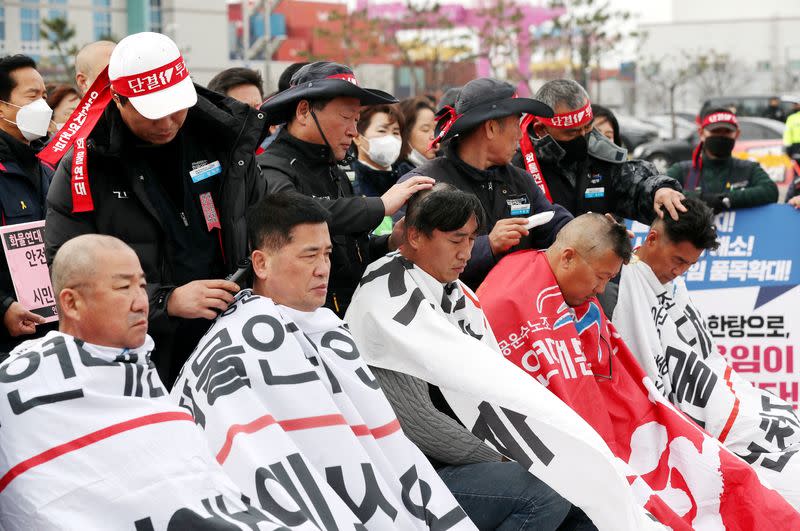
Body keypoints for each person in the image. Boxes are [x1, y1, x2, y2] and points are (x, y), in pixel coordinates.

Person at [345, 185, 667, 531]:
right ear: (415, 236)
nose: (466, 252)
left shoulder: (459, 292)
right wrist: (507, 457)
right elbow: (420, 424)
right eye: (456, 241)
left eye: (471, 239)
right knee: (546, 493)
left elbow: (500, 391)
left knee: (591, 496)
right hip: (415, 472)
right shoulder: (385, 296)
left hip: (469, 454)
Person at [476, 214, 800, 527]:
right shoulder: (511, 300)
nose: (601, 289)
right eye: (601, 277)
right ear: (569, 258)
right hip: (568, 453)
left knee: (715, 478)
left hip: (623, 429)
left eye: (607, 279)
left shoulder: (582, 299)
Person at [171, 191, 471, 529]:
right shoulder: (234, 345)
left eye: (327, 254)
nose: (322, 270)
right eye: (309, 255)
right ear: (261, 263)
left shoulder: (328, 327)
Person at [0, 234, 304, 530]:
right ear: (72, 303)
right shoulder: (17, 385)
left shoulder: (143, 374)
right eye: (123, 287)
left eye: (142, 286)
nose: (141, 302)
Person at [42, 32, 267, 387]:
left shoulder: (224, 140)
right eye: (151, 113)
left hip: (231, 336)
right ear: (118, 100)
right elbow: (67, 268)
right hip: (138, 354)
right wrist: (166, 300)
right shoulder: (85, 166)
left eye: (175, 109)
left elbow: (262, 223)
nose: (166, 123)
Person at [605, 197, 800, 508]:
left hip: (717, 393)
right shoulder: (617, 281)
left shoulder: (670, 282)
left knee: (781, 423)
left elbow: (704, 355)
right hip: (677, 411)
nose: (679, 272)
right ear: (651, 238)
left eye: (690, 265)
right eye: (678, 260)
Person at [257, 61, 433, 317]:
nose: (352, 131)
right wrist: (380, 206)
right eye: (345, 118)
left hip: (347, 321)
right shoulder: (270, 168)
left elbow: (350, 254)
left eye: (357, 120)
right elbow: (295, 214)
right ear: (304, 111)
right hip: (296, 324)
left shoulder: (334, 171)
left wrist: (389, 243)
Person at [397, 77, 572, 289]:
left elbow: (555, 225)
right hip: (446, 316)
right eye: (516, 124)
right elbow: (402, 253)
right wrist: (487, 245)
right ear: (490, 128)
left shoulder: (521, 180)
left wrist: (594, 231)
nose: (520, 134)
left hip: (518, 313)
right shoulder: (424, 184)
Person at [514, 79, 685, 223]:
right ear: (541, 129)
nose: (582, 136)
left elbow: (636, 181)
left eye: (587, 127)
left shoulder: (600, 156)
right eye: (572, 132)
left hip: (599, 261)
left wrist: (659, 189)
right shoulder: (516, 166)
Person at [0, 54, 55, 354]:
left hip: (51, 330)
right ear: (2, 107)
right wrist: (3, 307)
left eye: (45, 96)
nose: (43, 106)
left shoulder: (49, 166)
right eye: (32, 96)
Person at [667, 107, 778, 212]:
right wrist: (702, 198)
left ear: (737, 134)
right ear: (701, 133)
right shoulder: (682, 171)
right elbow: (663, 193)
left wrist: (726, 199)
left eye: (727, 132)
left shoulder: (749, 169)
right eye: (715, 131)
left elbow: (770, 191)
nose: (721, 136)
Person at [352, 103, 403, 197]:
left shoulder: (407, 177)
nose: (390, 138)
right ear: (358, 138)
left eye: (396, 132)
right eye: (382, 131)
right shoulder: (349, 183)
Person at [395, 96, 437, 176]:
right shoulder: (396, 174)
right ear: (405, 133)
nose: (434, 136)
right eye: (425, 129)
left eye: (435, 129)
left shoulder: (442, 168)